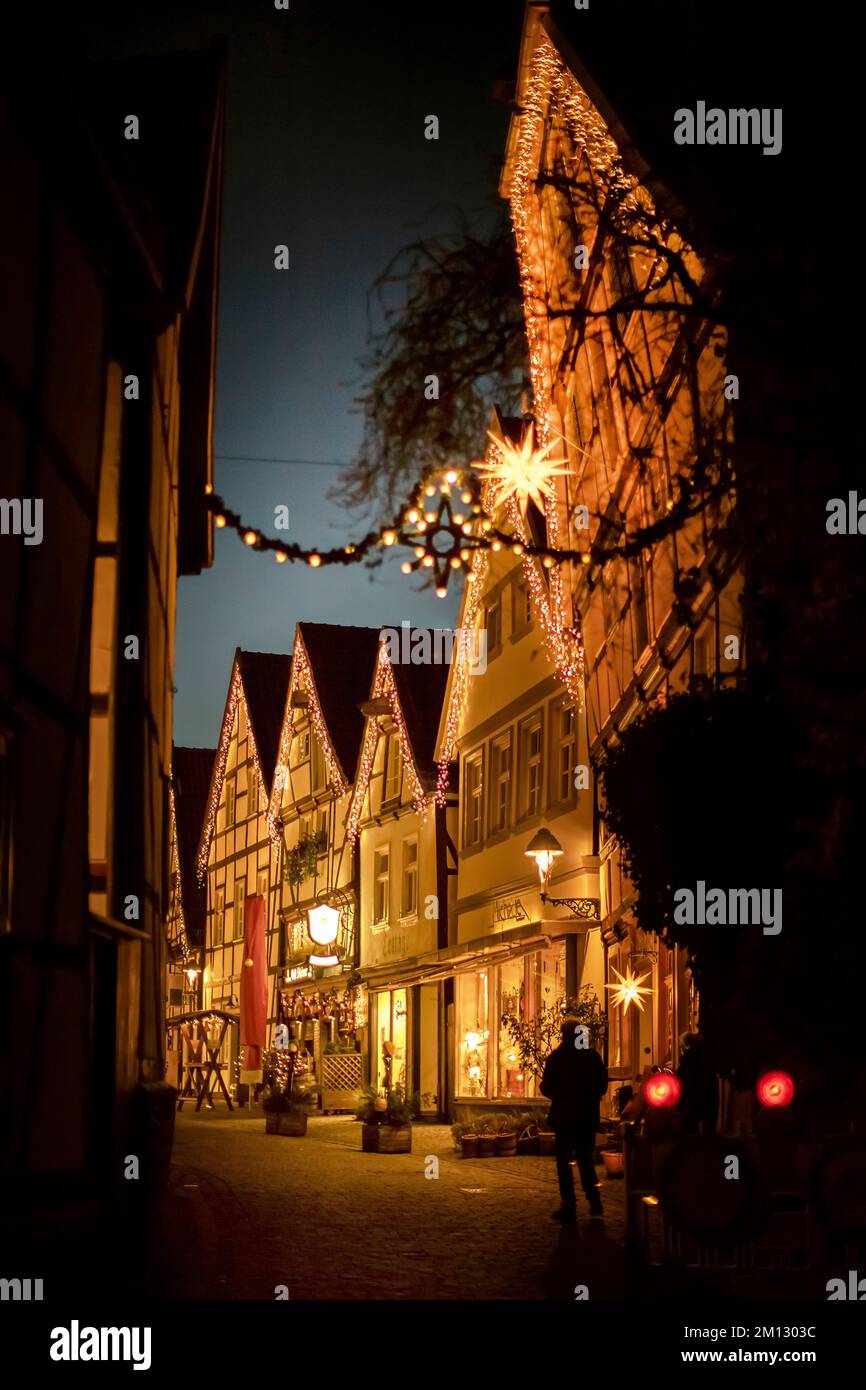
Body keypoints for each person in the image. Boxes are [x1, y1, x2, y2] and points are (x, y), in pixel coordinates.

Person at [540, 1017, 609, 1221]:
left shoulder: (557, 1058)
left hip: (565, 1117)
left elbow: (546, 1087)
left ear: (564, 1035)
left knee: (564, 1161)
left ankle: (568, 1205)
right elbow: (602, 1087)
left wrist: (562, 1094)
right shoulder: (592, 1057)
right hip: (587, 1117)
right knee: (585, 1159)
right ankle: (594, 1201)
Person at [676, 1031, 719, 1134]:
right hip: (707, 1099)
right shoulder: (706, 1057)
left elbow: (685, 1079)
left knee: (691, 1130)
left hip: (691, 1100)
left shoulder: (688, 1059)